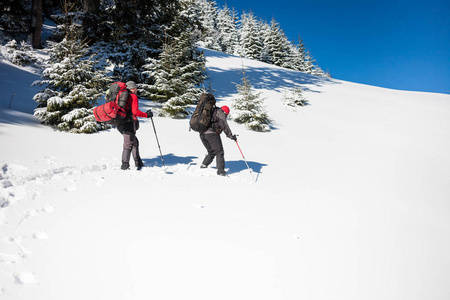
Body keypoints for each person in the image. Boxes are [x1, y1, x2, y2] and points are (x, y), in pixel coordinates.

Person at [118, 81, 153, 170]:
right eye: (135, 88)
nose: (136, 89)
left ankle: (138, 163)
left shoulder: (122, 96)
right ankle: (125, 165)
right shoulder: (132, 96)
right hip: (128, 123)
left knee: (134, 142)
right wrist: (146, 115)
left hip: (120, 123)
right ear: (131, 88)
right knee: (128, 144)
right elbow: (135, 112)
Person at [199, 101, 237, 176]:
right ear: (225, 112)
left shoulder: (212, 112)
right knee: (219, 152)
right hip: (212, 134)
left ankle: (204, 164)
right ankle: (221, 171)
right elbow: (224, 125)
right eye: (226, 115)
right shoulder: (220, 113)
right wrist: (231, 135)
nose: (226, 116)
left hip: (202, 134)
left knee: (211, 151)